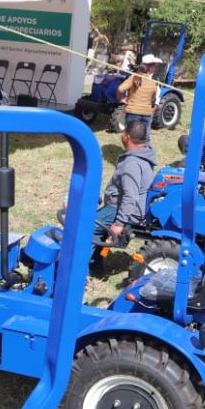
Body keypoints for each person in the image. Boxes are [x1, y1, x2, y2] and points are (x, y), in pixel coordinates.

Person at [90, 119, 157, 274]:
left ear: (126, 136)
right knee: (99, 225)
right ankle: (95, 265)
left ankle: (80, 269)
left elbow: (130, 196)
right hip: (126, 207)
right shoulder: (144, 154)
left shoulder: (132, 163)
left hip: (124, 209)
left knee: (89, 228)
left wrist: (119, 223)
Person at [118, 58, 158, 133]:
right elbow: (153, 98)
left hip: (133, 112)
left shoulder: (133, 78)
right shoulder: (153, 82)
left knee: (130, 136)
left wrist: (120, 98)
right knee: (143, 138)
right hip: (147, 113)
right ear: (149, 70)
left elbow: (120, 89)